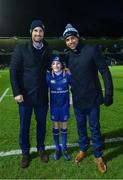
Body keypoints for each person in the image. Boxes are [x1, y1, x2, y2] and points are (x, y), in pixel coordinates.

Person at [62, 24, 113, 173]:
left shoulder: (91, 50)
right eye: (67, 40)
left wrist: (109, 93)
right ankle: (83, 149)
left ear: (77, 37)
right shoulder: (68, 56)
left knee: (95, 128)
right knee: (80, 127)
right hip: (78, 99)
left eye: (72, 38)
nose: (70, 42)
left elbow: (104, 71)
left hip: (93, 99)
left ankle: (98, 156)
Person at [10, 20, 52, 168]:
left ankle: (41, 148)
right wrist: (16, 92)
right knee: (24, 126)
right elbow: (13, 71)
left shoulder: (47, 49)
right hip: (25, 96)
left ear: (43, 33)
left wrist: (63, 67)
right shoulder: (21, 49)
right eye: (35, 31)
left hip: (41, 96)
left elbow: (52, 64)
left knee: (41, 125)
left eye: (40, 31)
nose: (38, 34)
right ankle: (25, 152)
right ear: (31, 32)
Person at [46, 55, 71, 161]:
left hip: (64, 105)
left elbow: (74, 86)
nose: (56, 65)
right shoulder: (48, 76)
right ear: (51, 66)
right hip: (54, 106)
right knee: (56, 125)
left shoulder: (67, 75)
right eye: (53, 63)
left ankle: (64, 148)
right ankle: (57, 148)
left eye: (58, 63)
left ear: (62, 65)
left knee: (64, 125)